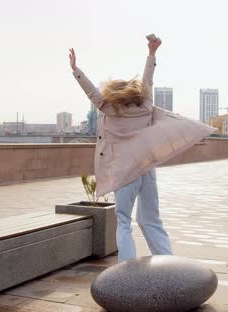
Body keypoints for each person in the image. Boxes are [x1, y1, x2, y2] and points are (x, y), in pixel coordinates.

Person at [69, 36, 173, 263]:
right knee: (151, 219)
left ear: (115, 94)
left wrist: (76, 70)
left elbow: (91, 93)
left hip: (126, 172)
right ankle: (169, 263)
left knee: (124, 220)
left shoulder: (110, 109)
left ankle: (127, 268)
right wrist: (152, 53)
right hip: (147, 170)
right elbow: (148, 80)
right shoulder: (145, 106)